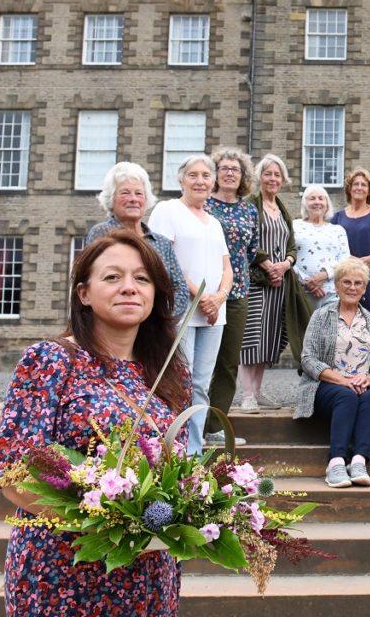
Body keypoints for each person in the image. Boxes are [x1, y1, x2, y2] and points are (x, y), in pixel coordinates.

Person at [0, 229, 190, 615]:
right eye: (112, 277)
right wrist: (112, 527)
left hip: (150, 575)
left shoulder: (169, 374)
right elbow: (12, 474)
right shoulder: (50, 360)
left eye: (142, 279)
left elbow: (175, 469)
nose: (129, 287)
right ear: (84, 293)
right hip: (62, 570)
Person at [148, 154, 233, 455]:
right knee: (178, 381)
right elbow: (165, 262)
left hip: (214, 314)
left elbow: (227, 268)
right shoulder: (168, 210)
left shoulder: (214, 222)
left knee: (201, 384)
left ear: (213, 182)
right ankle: (173, 448)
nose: (200, 181)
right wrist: (201, 297)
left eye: (206, 176)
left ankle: (194, 454)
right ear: (181, 179)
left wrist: (219, 297)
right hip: (184, 310)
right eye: (193, 175)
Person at [295, 256, 370, 488]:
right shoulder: (321, 316)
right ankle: (336, 462)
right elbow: (308, 359)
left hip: (365, 386)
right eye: (347, 282)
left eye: (358, 283)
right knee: (346, 395)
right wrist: (342, 380)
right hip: (328, 387)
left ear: (365, 288)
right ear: (337, 285)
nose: (352, 287)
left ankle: (359, 461)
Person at [239, 153, 312, 410]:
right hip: (257, 280)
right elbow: (246, 239)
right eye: (268, 173)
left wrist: (286, 264)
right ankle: (247, 395)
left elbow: (291, 246)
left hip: (280, 283)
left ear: (283, 180)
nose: (272, 179)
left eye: (277, 175)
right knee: (252, 337)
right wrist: (267, 263)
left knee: (270, 337)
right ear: (260, 177)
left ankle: (258, 392)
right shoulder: (250, 204)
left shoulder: (282, 209)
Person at [85, 161, 189, 323]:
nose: (133, 199)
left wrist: (159, 317)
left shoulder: (161, 242)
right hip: (112, 326)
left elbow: (180, 288)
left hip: (156, 329)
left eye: (139, 194)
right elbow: (89, 281)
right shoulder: (101, 234)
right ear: (111, 199)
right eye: (125, 193)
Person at [202, 147, 258, 445]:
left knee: (227, 362)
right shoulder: (204, 205)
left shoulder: (249, 209)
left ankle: (213, 426)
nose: (229, 173)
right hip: (204, 293)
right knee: (199, 362)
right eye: (223, 168)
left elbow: (251, 251)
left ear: (242, 177)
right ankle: (188, 424)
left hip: (236, 294)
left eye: (235, 170)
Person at [331, 168, 370, 318]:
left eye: (364, 185)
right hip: (344, 275)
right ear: (349, 188)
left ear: (369, 190)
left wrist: (365, 261)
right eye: (356, 184)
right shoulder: (337, 217)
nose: (359, 187)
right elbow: (332, 249)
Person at [293, 185, 351, 309]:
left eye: (321, 198)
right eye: (312, 198)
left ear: (327, 204)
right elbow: (286, 256)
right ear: (305, 203)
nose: (317, 202)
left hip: (331, 293)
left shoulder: (337, 230)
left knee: (329, 328)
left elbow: (345, 261)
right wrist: (306, 282)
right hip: (300, 292)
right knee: (303, 329)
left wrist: (324, 276)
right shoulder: (294, 226)